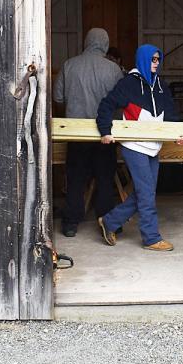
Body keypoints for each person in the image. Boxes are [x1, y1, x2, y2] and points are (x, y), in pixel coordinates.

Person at [95, 44, 183, 252]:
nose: (156, 64)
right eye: (152, 60)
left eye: (158, 60)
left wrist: (177, 135)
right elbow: (106, 105)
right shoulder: (129, 83)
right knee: (146, 193)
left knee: (144, 192)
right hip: (134, 145)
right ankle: (151, 237)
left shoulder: (161, 85)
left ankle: (109, 222)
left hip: (154, 146)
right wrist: (105, 131)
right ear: (143, 59)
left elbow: (171, 113)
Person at [53, 28, 124, 237]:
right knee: (104, 178)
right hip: (104, 133)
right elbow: (121, 103)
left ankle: (71, 223)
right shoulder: (113, 69)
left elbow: (58, 97)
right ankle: (108, 222)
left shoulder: (69, 65)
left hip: (76, 133)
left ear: (86, 41)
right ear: (105, 43)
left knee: (75, 179)